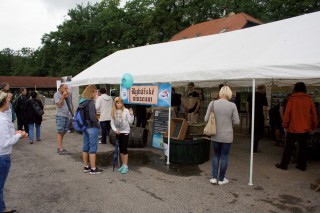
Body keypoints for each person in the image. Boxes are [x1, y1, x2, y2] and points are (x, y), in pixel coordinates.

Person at [275, 82, 318, 171]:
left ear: (295, 89)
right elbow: (314, 114)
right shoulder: (309, 100)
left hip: (293, 127)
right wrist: (313, 126)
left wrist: (285, 125)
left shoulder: (292, 99)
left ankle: (284, 164)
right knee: (303, 147)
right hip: (305, 127)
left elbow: (287, 114)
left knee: (289, 147)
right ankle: (302, 165)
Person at [205, 86, 240, 185]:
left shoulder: (212, 103)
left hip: (215, 134)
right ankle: (221, 179)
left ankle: (214, 178)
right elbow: (237, 122)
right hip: (227, 135)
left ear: (220, 93)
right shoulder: (232, 105)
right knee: (224, 156)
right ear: (229, 93)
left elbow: (205, 119)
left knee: (216, 155)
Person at [0, 91, 28, 213]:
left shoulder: (2, 117)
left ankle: (3, 207)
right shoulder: (2, 120)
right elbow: (5, 142)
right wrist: (18, 136)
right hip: (2, 155)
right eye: (8, 100)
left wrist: (14, 133)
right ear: (3, 102)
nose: (9, 102)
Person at [79, 85, 102, 175]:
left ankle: (86, 166)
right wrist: (97, 125)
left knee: (85, 147)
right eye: (95, 92)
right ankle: (93, 168)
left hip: (85, 126)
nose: (96, 93)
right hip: (92, 127)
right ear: (91, 92)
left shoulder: (82, 102)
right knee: (93, 148)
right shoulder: (91, 103)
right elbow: (93, 117)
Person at [111, 97, 134, 174]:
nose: (119, 104)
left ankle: (125, 165)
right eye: (118, 103)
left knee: (124, 148)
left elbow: (130, 121)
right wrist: (115, 130)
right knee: (120, 149)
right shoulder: (113, 111)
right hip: (118, 132)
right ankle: (123, 165)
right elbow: (112, 123)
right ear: (115, 104)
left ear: (122, 104)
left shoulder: (126, 110)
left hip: (125, 132)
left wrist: (131, 114)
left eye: (121, 103)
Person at [246, 84, 268, 153]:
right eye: (265, 88)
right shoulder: (263, 96)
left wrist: (249, 114)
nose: (265, 90)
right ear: (261, 89)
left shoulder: (251, 95)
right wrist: (265, 118)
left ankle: (253, 147)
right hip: (259, 117)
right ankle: (255, 148)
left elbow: (247, 105)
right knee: (258, 133)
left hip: (252, 116)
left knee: (252, 132)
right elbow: (264, 108)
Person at [53, 84, 71, 154]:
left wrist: (67, 96)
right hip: (60, 115)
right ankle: (60, 148)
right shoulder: (56, 95)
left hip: (66, 115)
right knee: (60, 131)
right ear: (60, 88)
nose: (66, 89)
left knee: (64, 131)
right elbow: (59, 105)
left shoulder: (67, 95)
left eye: (67, 88)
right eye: (65, 88)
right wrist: (63, 96)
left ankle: (59, 146)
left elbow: (70, 105)